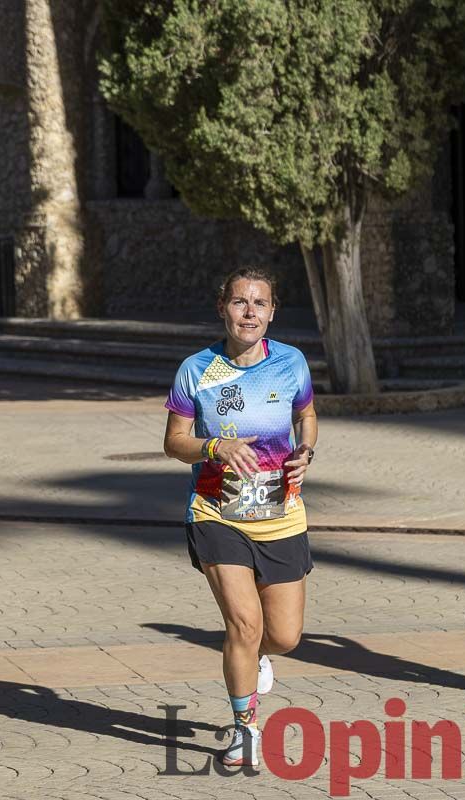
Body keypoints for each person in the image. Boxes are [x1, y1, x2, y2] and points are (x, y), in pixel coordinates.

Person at [162, 268, 317, 766]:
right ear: (222, 307)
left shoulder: (291, 362)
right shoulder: (196, 369)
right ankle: (244, 729)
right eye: (239, 302)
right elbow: (173, 442)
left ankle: (256, 656)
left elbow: (306, 416)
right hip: (215, 510)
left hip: (281, 512)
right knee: (244, 625)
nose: (249, 312)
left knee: (285, 636)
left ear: (272, 312)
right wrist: (215, 444)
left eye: (259, 304)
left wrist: (306, 450)